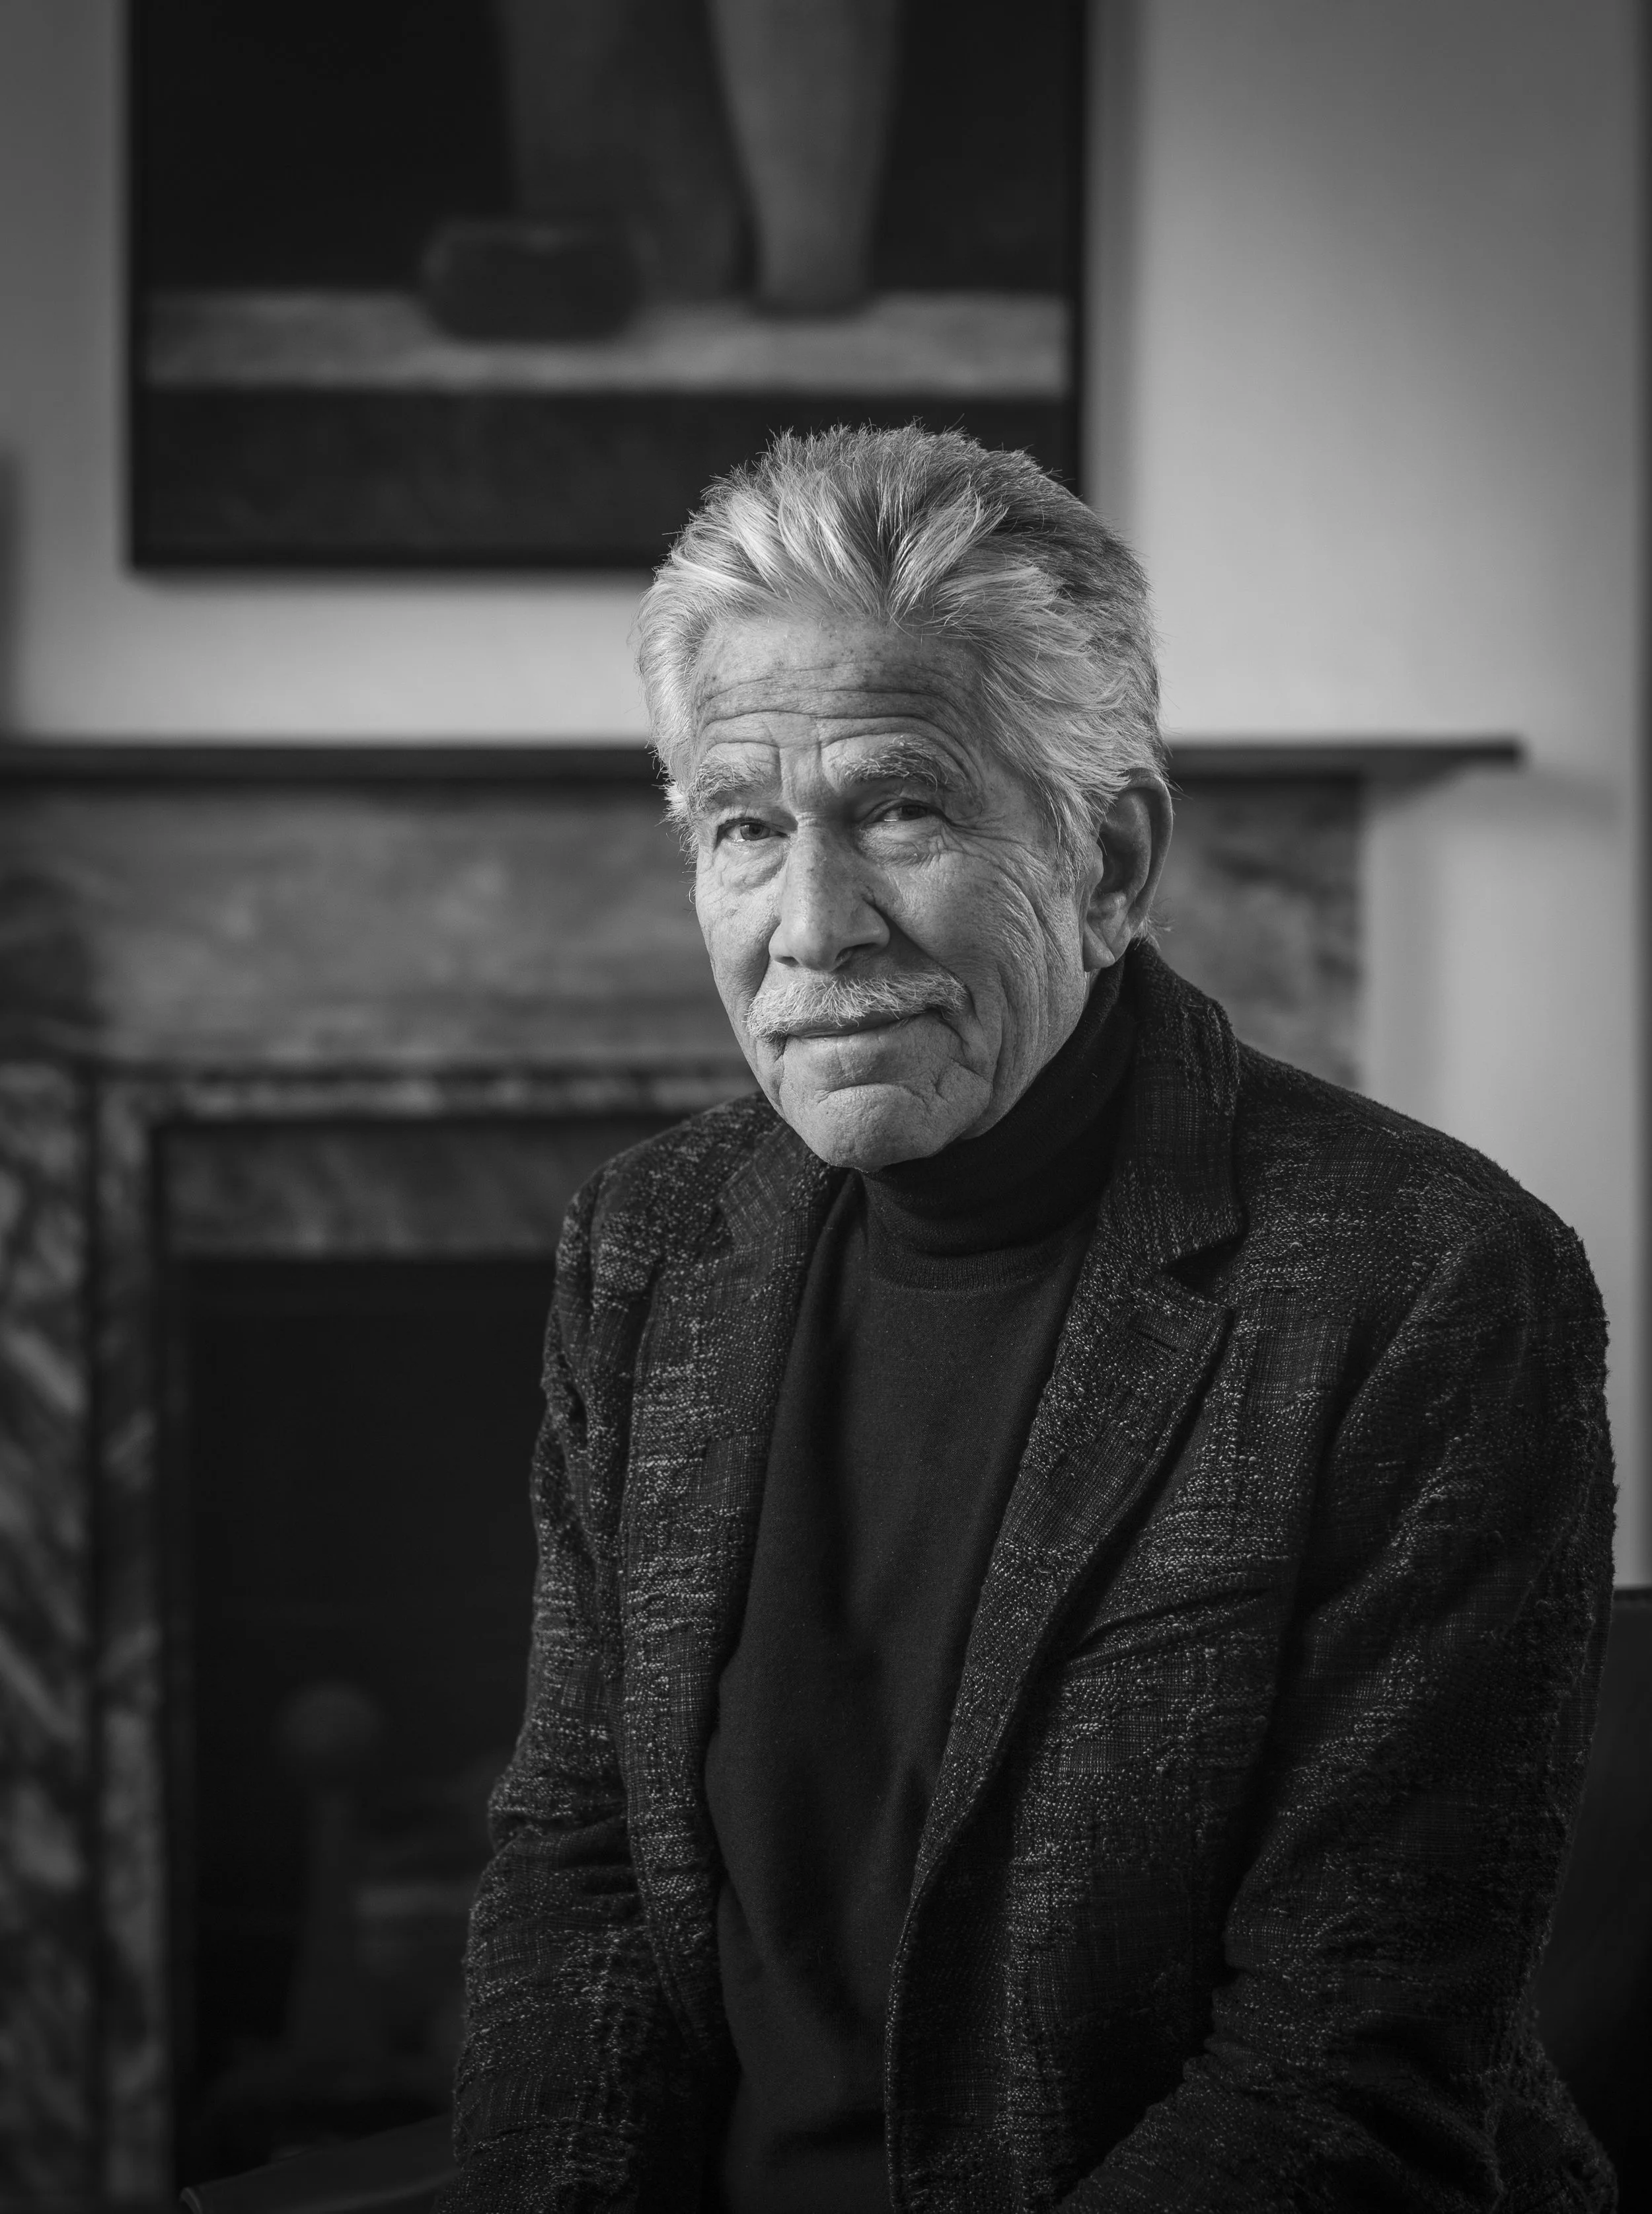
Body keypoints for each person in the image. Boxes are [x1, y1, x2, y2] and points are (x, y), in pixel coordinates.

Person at [439, 426, 1616, 2213]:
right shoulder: (649, 1245)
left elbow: (1345, 2071)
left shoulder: (1422, 1281)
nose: (813, 928)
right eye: (746, 828)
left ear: (1109, 858)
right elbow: (579, 1870)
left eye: (900, 810)